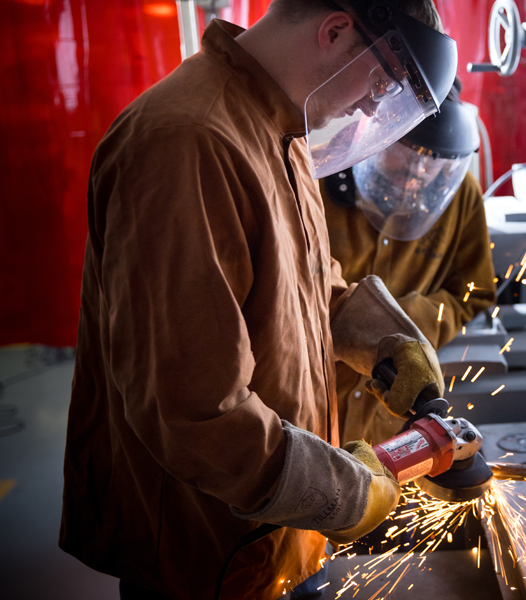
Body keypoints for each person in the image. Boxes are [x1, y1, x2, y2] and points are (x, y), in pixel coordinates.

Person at [58, 1, 457, 599]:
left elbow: (304, 286)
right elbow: (196, 411)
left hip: (279, 539)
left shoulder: (281, 130)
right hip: (207, 558)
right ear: (335, 30)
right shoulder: (188, 142)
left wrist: (388, 344)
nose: (374, 106)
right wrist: (343, 493)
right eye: (381, 83)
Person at [321, 78, 497, 446]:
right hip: (318, 400)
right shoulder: (319, 172)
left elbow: (473, 293)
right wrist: (365, 327)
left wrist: (407, 323)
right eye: (410, 149)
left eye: (434, 158)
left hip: (388, 419)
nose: (419, 168)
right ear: (378, 132)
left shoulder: (461, 196)